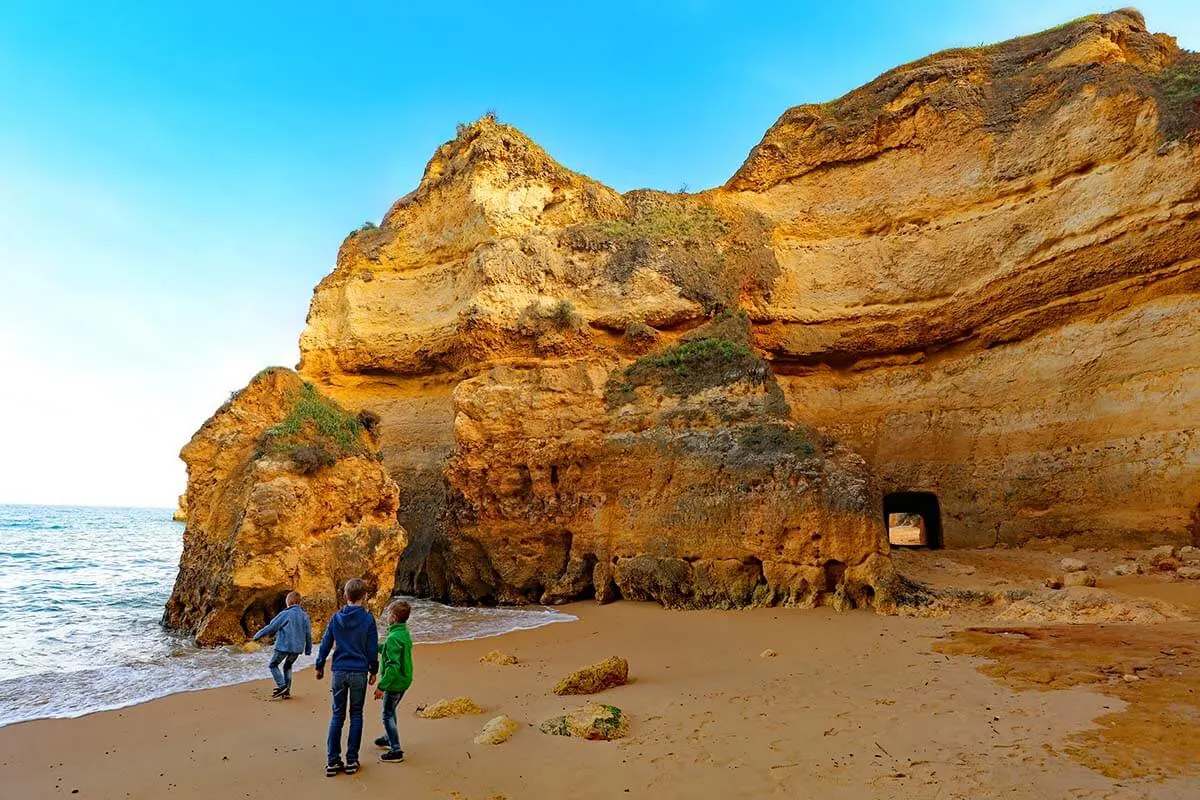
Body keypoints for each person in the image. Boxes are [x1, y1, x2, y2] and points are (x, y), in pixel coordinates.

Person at [315, 578, 379, 777]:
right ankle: (352, 760)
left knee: (337, 716)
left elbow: (325, 644)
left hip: (339, 671)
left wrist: (319, 666)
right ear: (365, 597)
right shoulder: (368, 620)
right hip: (359, 672)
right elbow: (372, 648)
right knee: (356, 715)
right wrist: (373, 670)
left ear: (345, 596)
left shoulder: (336, 618)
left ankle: (333, 761)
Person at [372, 600, 413, 763]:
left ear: (394, 618)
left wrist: (382, 686)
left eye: (388, 614)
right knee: (391, 710)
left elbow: (393, 666)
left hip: (394, 682)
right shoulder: (403, 633)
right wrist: (375, 647)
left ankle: (396, 750)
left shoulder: (393, 638)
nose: (387, 616)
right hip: (405, 679)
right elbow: (390, 650)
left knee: (387, 714)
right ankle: (389, 737)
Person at [251, 590, 312, 699]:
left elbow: (272, 627)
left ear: (289, 602)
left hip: (283, 646)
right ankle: (286, 691)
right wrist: (308, 649)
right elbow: (308, 634)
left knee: (273, 665)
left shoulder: (285, 614)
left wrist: (257, 636)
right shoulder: (305, 616)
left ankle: (282, 685)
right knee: (288, 666)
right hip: (297, 648)